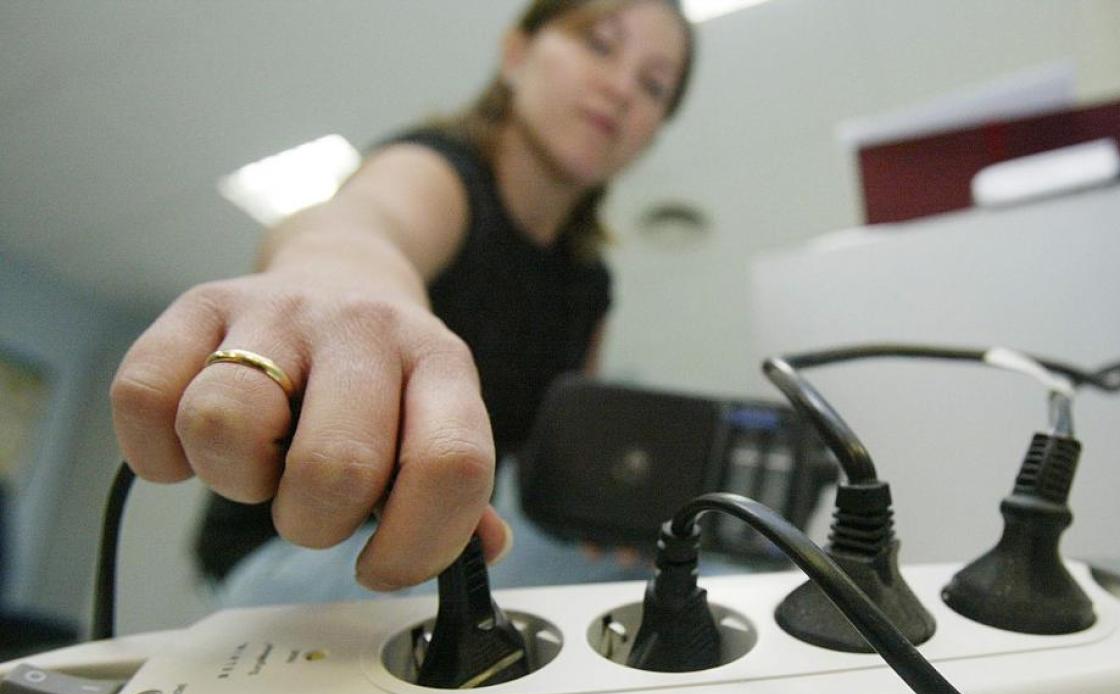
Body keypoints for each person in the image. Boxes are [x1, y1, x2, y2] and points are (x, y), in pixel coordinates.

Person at [110, 0, 696, 603]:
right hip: (285, 559)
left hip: (445, 552)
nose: (622, 88)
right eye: (600, 45)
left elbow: (555, 464)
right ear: (516, 54)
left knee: (670, 560)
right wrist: (340, 276)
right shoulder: (439, 171)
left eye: (654, 86)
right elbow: (363, 221)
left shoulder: (589, 284)